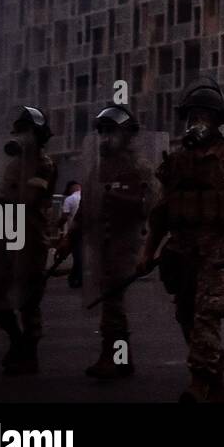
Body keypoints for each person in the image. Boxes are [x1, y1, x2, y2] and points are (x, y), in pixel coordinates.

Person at [138, 77, 224, 402]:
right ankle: (214, 373)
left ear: (218, 120)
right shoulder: (176, 162)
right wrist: (147, 251)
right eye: (193, 115)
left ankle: (199, 380)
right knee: (185, 314)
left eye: (205, 116)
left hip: (218, 251)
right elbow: (161, 213)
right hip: (181, 251)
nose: (198, 122)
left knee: (207, 313)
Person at [68, 105, 158, 379]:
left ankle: (112, 355)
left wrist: (118, 197)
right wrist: (70, 236)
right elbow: (89, 204)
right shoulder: (101, 165)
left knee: (113, 299)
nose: (106, 137)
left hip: (125, 239)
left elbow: (147, 205)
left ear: (127, 135)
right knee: (110, 299)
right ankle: (122, 356)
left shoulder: (138, 166)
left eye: (112, 131)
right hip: (102, 240)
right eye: (103, 131)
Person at [0, 107, 58, 376]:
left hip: (31, 237)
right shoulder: (14, 164)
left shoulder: (44, 164)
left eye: (27, 132)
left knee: (29, 299)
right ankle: (17, 340)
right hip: (7, 235)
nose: (21, 137)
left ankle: (29, 353)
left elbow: (30, 200)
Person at [59, 181, 83, 289]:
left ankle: (76, 277)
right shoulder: (87, 196)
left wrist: (57, 226)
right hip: (88, 231)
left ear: (70, 189)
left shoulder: (69, 199)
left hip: (75, 231)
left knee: (77, 255)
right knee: (81, 255)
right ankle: (75, 277)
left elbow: (64, 217)